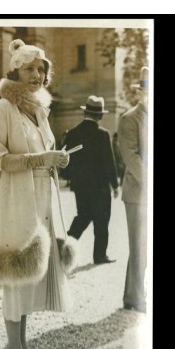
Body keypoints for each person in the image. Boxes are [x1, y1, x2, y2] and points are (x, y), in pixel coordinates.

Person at [0, 39, 76, 349]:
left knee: (33, 272)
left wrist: (56, 159)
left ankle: (22, 343)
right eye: (30, 69)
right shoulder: (2, 110)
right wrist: (37, 160)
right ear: (14, 72)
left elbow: (44, 152)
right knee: (17, 274)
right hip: (18, 199)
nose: (38, 75)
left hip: (43, 198)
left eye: (41, 69)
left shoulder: (38, 110)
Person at [62, 95, 119, 264]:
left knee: (83, 216)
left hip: (80, 185)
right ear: (100, 116)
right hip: (100, 187)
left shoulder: (72, 133)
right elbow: (110, 161)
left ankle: (65, 248)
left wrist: (71, 177)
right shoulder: (103, 134)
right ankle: (99, 256)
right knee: (101, 221)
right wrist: (115, 185)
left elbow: (65, 160)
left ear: (85, 112)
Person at [118, 66, 149, 313]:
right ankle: (136, 299)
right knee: (139, 246)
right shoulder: (130, 119)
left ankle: (133, 295)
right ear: (140, 93)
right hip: (139, 193)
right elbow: (131, 157)